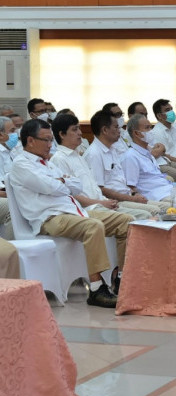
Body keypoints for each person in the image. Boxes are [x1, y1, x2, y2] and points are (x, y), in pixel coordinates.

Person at [10, 119, 129, 307]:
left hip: (74, 211)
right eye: (46, 140)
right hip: (49, 217)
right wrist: (62, 182)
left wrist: (61, 182)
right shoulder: (21, 164)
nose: (51, 145)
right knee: (93, 226)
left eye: (51, 141)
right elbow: (50, 186)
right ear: (30, 140)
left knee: (125, 222)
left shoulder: (48, 164)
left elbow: (76, 185)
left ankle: (122, 279)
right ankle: (97, 288)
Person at [83, 110, 168, 217]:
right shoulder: (94, 154)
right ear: (105, 130)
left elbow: (121, 182)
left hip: (127, 196)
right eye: (116, 127)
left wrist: (134, 193)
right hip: (114, 201)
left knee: (169, 206)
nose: (120, 131)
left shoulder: (112, 149)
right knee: (155, 211)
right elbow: (100, 189)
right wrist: (132, 198)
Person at [122, 114, 176, 203]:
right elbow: (131, 187)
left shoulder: (147, 152)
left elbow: (156, 177)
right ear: (136, 133)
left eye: (151, 127)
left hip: (169, 190)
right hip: (158, 197)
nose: (151, 131)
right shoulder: (131, 156)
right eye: (147, 128)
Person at [0, 115, 19, 238]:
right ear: (1, 135)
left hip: (9, 192)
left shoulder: (11, 152)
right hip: (4, 195)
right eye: (12, 131)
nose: (15, 134)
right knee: (11, 208)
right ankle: (9, 250)